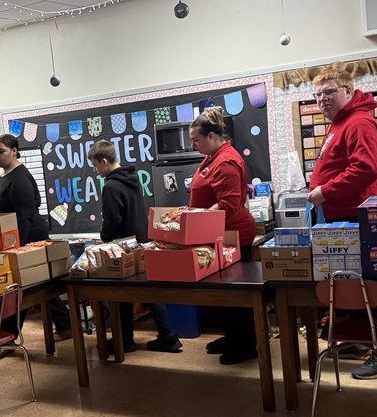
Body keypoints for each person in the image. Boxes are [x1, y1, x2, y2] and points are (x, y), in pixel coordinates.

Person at [306, 66, 377, 381]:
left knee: (369, 285)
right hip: (343, 217)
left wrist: (325, 191)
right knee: (351, 283)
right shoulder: (340, 123)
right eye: (318, 94)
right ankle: (361, 343)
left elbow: (366, 168)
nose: (322, 99)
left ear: (347, 91)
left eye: (329, 91)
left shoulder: (358, 122)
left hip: (360, 217)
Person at [89, 140, 182, 354]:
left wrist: (104, 237)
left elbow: (112, 220)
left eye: (95, 165)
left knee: (121, 294)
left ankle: (126, 340)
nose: (95, 170)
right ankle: (167, 337)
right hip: (142, 241)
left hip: (124, 245)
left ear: (104, 161)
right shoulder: (132, 178)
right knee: (149, 292)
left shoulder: (111, 186)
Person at [187, 109, 258, 365]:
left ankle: (246, 344)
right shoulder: (212, 157)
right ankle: (232, 336)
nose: (193, 146)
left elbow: (228, 205)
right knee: (225, 292)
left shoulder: (226, 161)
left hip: (233, 236)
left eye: (196, 140)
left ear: (212, 136)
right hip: (218, 235)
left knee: (237, 294)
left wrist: (197, 217)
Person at [0, 134, 71, 337]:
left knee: (21, 287)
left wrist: (18, 248)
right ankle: (66, 324)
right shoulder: (7, 175)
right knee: (37, 288)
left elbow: (25, 216)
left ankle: (7, 334)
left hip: (28, 239)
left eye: (1, 151)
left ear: (14, 152)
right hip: (17, 238)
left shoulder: (19, 178)